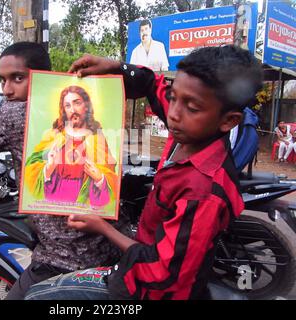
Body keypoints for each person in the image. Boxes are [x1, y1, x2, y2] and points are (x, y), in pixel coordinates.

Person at [24, 45, 263, 300]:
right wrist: (116, 66)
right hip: (140, 250)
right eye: (173, 98)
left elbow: (162, 272)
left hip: (147, 288)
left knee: (39, 297)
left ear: (228, 121)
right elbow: (152, 84)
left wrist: (103, 227)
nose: (172, 114)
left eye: (191, 107)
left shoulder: (203, 193)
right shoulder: (192, 130)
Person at [0, 41, 130, 300]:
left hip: (62, 257)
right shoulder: (91, 131)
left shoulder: (17, 114)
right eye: (3, 80)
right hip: (111, 246)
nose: (7, 90)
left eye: (17, 78)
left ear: (44, 78)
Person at [24, 85, 117, 207]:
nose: (72, 109)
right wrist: (49, 167)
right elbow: (30, 168)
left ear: (86, 106)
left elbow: (110, 176)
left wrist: (99, 178)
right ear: (64, 110)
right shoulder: (54, 135)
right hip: (53, 198)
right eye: (67, 105)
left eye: (77, 103)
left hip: (83, 202)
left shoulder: (97, 139)